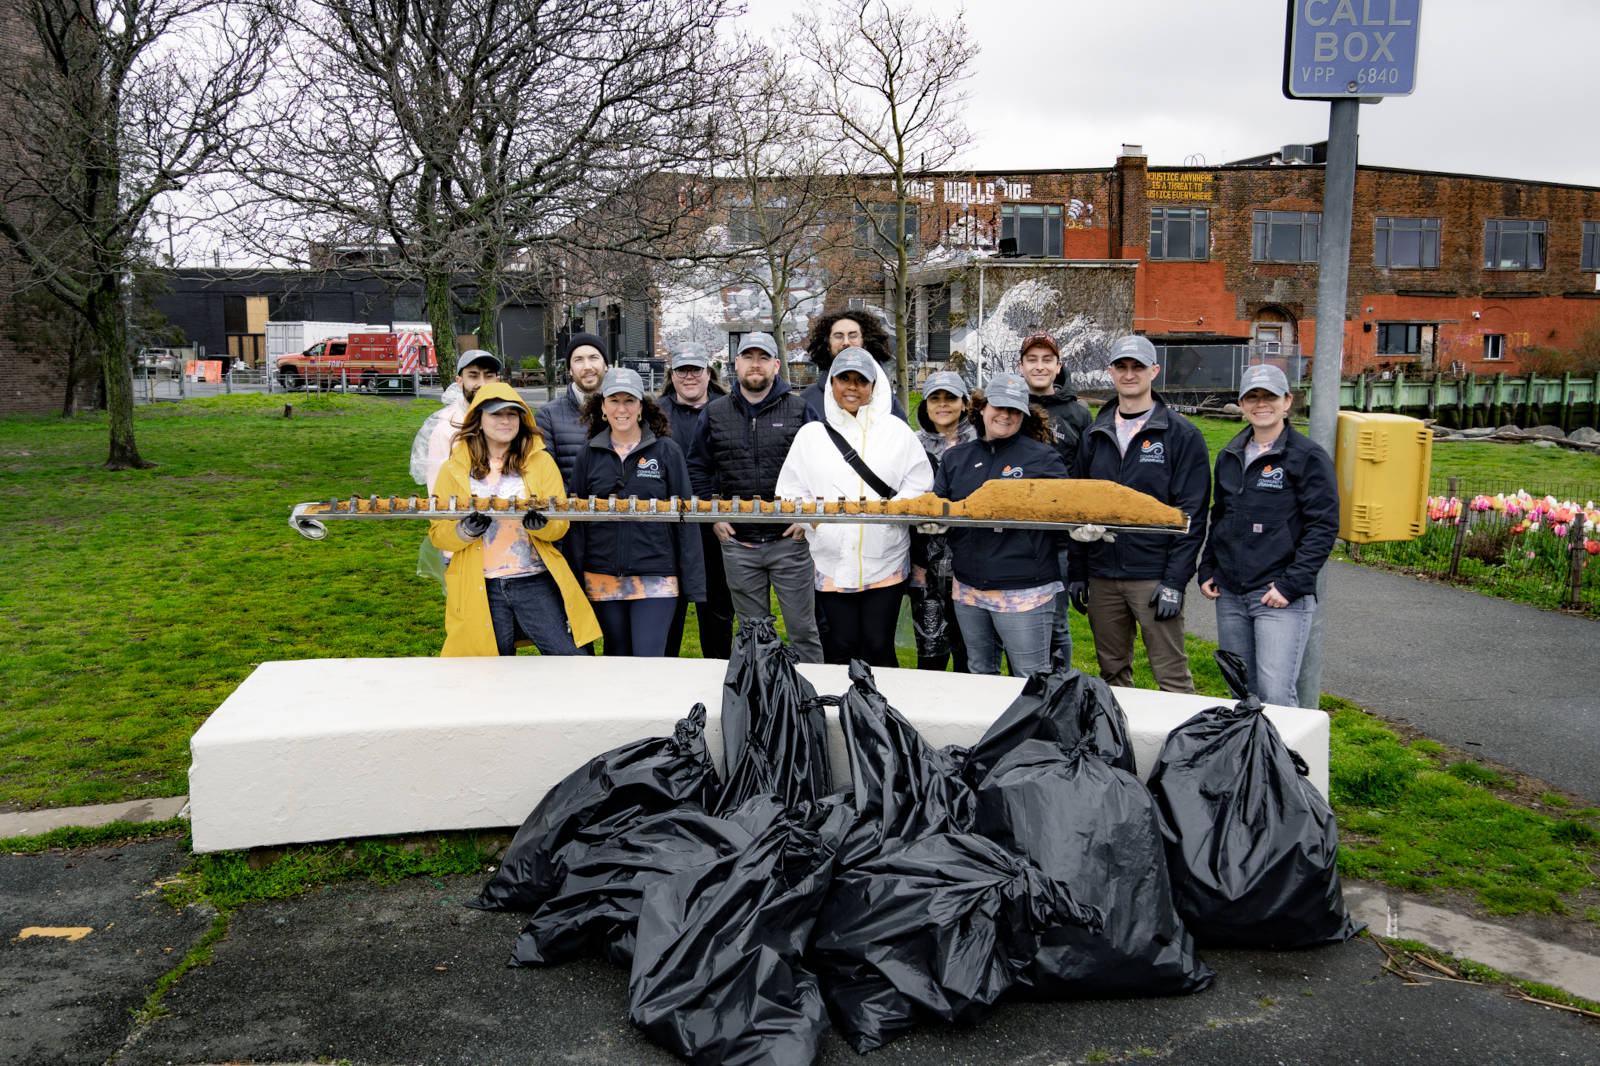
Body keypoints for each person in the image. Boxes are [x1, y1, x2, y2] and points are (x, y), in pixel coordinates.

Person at [1069, 335, 1210, 693]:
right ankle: (1120, 743)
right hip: (1103, 575)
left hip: (1153, 575)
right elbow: (1078, 504)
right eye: (1121, 367)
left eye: (1138, 367)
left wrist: (1175, 582)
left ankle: (1182, 747)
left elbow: (1191, 515)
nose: (1129, 374)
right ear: (1111, 372)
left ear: (1154, 371)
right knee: (1113, 674)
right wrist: (1078, 571)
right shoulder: (1094, 434)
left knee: (1172, 676)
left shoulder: (1181, 435)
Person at [776, 348, 933, 667]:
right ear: (831, 384)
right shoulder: (812, 436)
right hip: (832, 561)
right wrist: (814, 522)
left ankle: (881, 713)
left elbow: (920, 482)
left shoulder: (896, 433)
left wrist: (891, 512)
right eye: (844, 379)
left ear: (874, 387)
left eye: (861, 380)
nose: (852, 387)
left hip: (885, 560)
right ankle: (841, 713)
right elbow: (788, 492)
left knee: (878, 645)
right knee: (840, 645)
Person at [1198, 364, 1338, 706]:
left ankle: (1284, 760)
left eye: (1270, 396)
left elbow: (1323, 525)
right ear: (1243, 405)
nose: (1262, 404)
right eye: (1252, 397)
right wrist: (1208, 567)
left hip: (1277, 595)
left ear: (1287, 401)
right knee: (1241, 691)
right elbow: (1222, 515)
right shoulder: (1230, 455)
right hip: (1230, 594)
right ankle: (1250, 759)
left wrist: (1291, 584)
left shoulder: (1307, 457)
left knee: (1275, 696)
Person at [429, 383, 600, 657]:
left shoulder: (540, 463)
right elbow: (438, 533)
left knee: (573, 657)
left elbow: (561, 524)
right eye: (497, 414)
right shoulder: (454, 469)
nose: (506, 421)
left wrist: (543, 526)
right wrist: (464, 531)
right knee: (490, 670)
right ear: (479, 419)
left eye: (512, 414)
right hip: (481, 584)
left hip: (534, 579)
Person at [688, 331, 824, 663]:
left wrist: (807, 518)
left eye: (763, 358)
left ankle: (812, 706)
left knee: (803, 632)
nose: (755, 364)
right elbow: (697, 467)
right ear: (737, 364)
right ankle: (761, 703)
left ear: (776, 365)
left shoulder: (800, 410)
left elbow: (822, 468)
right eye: (748, 357)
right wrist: (714, 515)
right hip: (739, 546)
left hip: (789, 543)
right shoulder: (715, 412)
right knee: (752, 635)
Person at [931, 372, 1070, 677]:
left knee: (1030, 678)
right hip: (969, 589)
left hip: (1024, 589)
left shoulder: (1043, 458)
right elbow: (938, 506)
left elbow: (1067, 513)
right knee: (980, 673)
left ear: (1023, 414)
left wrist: (1080, 528)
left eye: (1014, 410)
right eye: (998, 406)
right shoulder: (956, 458)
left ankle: (1032, 727)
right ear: (982, 407)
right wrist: (933, 523)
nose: (1005, 415)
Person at [564, 367, 706, 657]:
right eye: (614, 400)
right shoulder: (588, 455)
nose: (622, 408)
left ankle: (652, 704)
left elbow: (685, 519)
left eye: (629, 400)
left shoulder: (667, 451)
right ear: (602, 407)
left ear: (641, 407)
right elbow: (576, 524)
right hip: (602, 575)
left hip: (656, 575)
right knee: (617, 656)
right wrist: (573, 581)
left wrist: (693, 584)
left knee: (648, 657)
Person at [1018, 331, 1093, 669]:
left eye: (1047, 359)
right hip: (1017, 532)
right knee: (1016, 617)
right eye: (1032, 359)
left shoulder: (1077, 414)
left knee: (1057, 622)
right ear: (1021, 366)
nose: (1039, 366)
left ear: (1058, 365)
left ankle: (1060, 684)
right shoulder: (1011, 406)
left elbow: (1088, 472)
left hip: (1060, 537)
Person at [659, 346, 734, 659]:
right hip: (669, 528)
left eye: (695, 369)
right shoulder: (656, 412)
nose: (689, 376)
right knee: (668, 611)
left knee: (716, 608)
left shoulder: (728, 408)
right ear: (672, 375)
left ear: (708, 372)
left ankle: (719, 677)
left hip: (714, 525)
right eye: (682, 370)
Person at [910, 370, 977, 672]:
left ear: (964, 403)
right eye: (935, 398)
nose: (942, 405)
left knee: (969, 653)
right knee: (930, 652)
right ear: (925, 405)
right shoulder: (911, 445)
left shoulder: (980, 443)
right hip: (924, 565)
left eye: (950, 398)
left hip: (970, 563)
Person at [412, 349, 503, 495]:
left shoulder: (511, 420)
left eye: (488, 376)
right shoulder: (446, 426)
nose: (482, 383)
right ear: (459, 382)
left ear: (497, 381)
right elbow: (437, 489)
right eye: (473, 376)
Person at [799, 310, 908, 421]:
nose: (846, 342)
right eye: (838, 336)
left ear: (865, 342)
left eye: (853, 336)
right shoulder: (809, 399)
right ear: (827, 344)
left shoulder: (884, 397)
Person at [536, 332, 609, 485]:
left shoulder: (624, 413)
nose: (587, 367)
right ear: (570, 370)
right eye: (578, 360)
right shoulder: (548, 416)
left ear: (606, 365)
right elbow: (546, 475)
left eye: (593, 358)